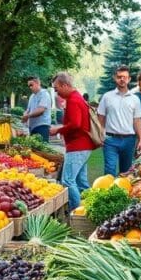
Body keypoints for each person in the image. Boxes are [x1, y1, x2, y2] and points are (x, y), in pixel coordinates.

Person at [49, 72, 95, 211]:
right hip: (83, 146)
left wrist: (58, 130)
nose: (56, 92)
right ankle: (90, 208)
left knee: (68, 181)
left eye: (57, 89)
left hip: (77, 147)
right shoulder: (77, 97)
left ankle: (76, 211)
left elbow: (76, 123)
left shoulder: (73, 100)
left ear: (64, 85)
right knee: (81, 182)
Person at [97, 65, 141, 176]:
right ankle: (108, 192)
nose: (122, 79)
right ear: (115, 78)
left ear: (129, 79)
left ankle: (123, 193)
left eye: (124, 77)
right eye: (119, 77)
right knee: (110, 170)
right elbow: (100, 118)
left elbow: (137, 120)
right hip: (110, 140)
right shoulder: (107, 97)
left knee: (126, 172)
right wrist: (100, 134)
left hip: (129, 140)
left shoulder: (135, 99)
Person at [21, 76, 52, 142]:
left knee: (42, 150)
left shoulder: (44, 94)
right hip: (32, 127)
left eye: (31, 85)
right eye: (29, 86)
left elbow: (41, 110)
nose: (30, 87)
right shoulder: (32, 96)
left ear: (38, 83)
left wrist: (28, 116)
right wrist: (25, 114)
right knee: (35, 150)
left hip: (42, 126)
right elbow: (28, 110)